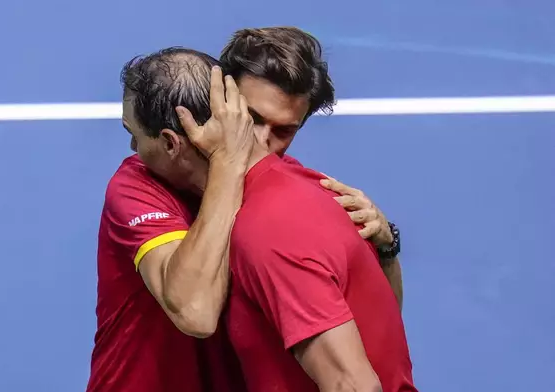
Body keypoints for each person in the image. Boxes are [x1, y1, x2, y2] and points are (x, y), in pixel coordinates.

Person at [87, 27, 404, 392]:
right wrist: (228, 167)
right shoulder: (137, 185)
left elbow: (372, 327)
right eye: (250, 119)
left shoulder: (296, 204)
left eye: (284, 130)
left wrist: (384, 248)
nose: (260, 143)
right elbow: (195, 310)